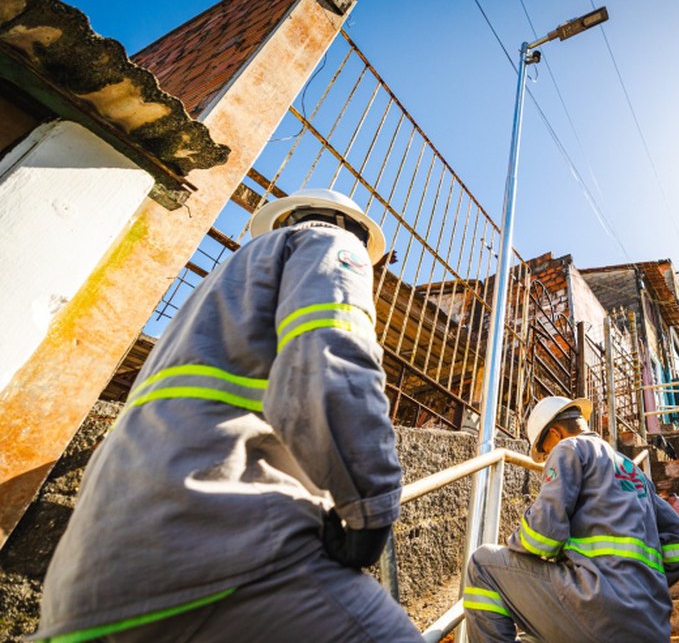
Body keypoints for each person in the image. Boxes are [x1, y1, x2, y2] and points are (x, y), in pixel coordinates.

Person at [34, 189, 422, 641]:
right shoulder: (328, 242)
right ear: (351, 227)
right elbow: (330, 361)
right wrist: (370, 512)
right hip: (223, 538)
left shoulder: (217, 289)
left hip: (87, 586)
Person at [463, 395, 679, 642]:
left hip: (600, 613)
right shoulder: (633, 470)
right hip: (651, 625)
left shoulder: (569, 447)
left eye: (544, 453)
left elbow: (540, 537)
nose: (545, 461)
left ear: (554, 434)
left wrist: (516, 540)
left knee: (482, 565)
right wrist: (642, 588)